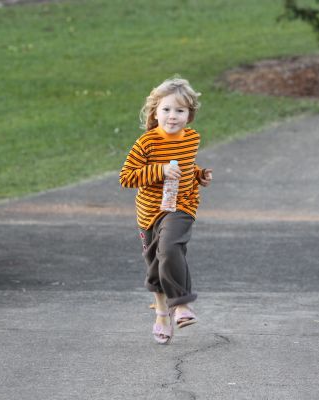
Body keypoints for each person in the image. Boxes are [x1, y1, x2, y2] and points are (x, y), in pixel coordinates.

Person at [119, 77, 213, 344]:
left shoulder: (191, 138)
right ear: (155, 111)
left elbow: (184, 169)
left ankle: (182, 305)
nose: (173, 117)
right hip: (150, 211)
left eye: (180, 111)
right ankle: (162, 312)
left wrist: (198, 176)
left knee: (170, 248)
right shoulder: (146, 143)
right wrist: (158, 171)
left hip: (181, 205)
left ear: (190, 115)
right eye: (167, 110)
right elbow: (126, 177)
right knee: (155, 263)